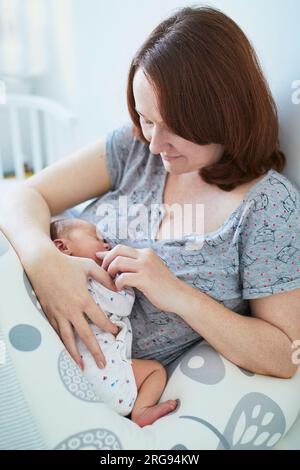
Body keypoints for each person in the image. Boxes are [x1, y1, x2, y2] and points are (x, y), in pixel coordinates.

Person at [0, 6, 299, 387]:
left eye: (173, 127)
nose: (155, 144)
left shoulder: (269, 208)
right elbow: (23, 194)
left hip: (80, 379)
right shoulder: (135, 147)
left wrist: (176, 294)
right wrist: (46, 264)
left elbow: (285, 352)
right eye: (146, 118)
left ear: (225, 115)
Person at [49, 217, 178, 426]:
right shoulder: (89, 278)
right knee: (155, 371)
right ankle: (141, 410)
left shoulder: (58, 284)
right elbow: (122, 306)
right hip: (105, 376)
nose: (106, 244)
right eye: (96, 237)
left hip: (82, 374)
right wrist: (124, 283)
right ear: (63, 247)